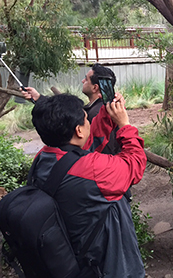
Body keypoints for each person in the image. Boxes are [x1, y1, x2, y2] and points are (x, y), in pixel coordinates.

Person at [29, 92, 147, 277]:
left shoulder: (44, 157)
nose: (89, 123)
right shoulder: (93, 170)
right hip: (105, 263)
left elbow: (85, 145)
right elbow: (134, 164)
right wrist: (124, 125)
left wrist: (108, 116)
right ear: (78, 130)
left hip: (72, 254)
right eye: (86, 119)